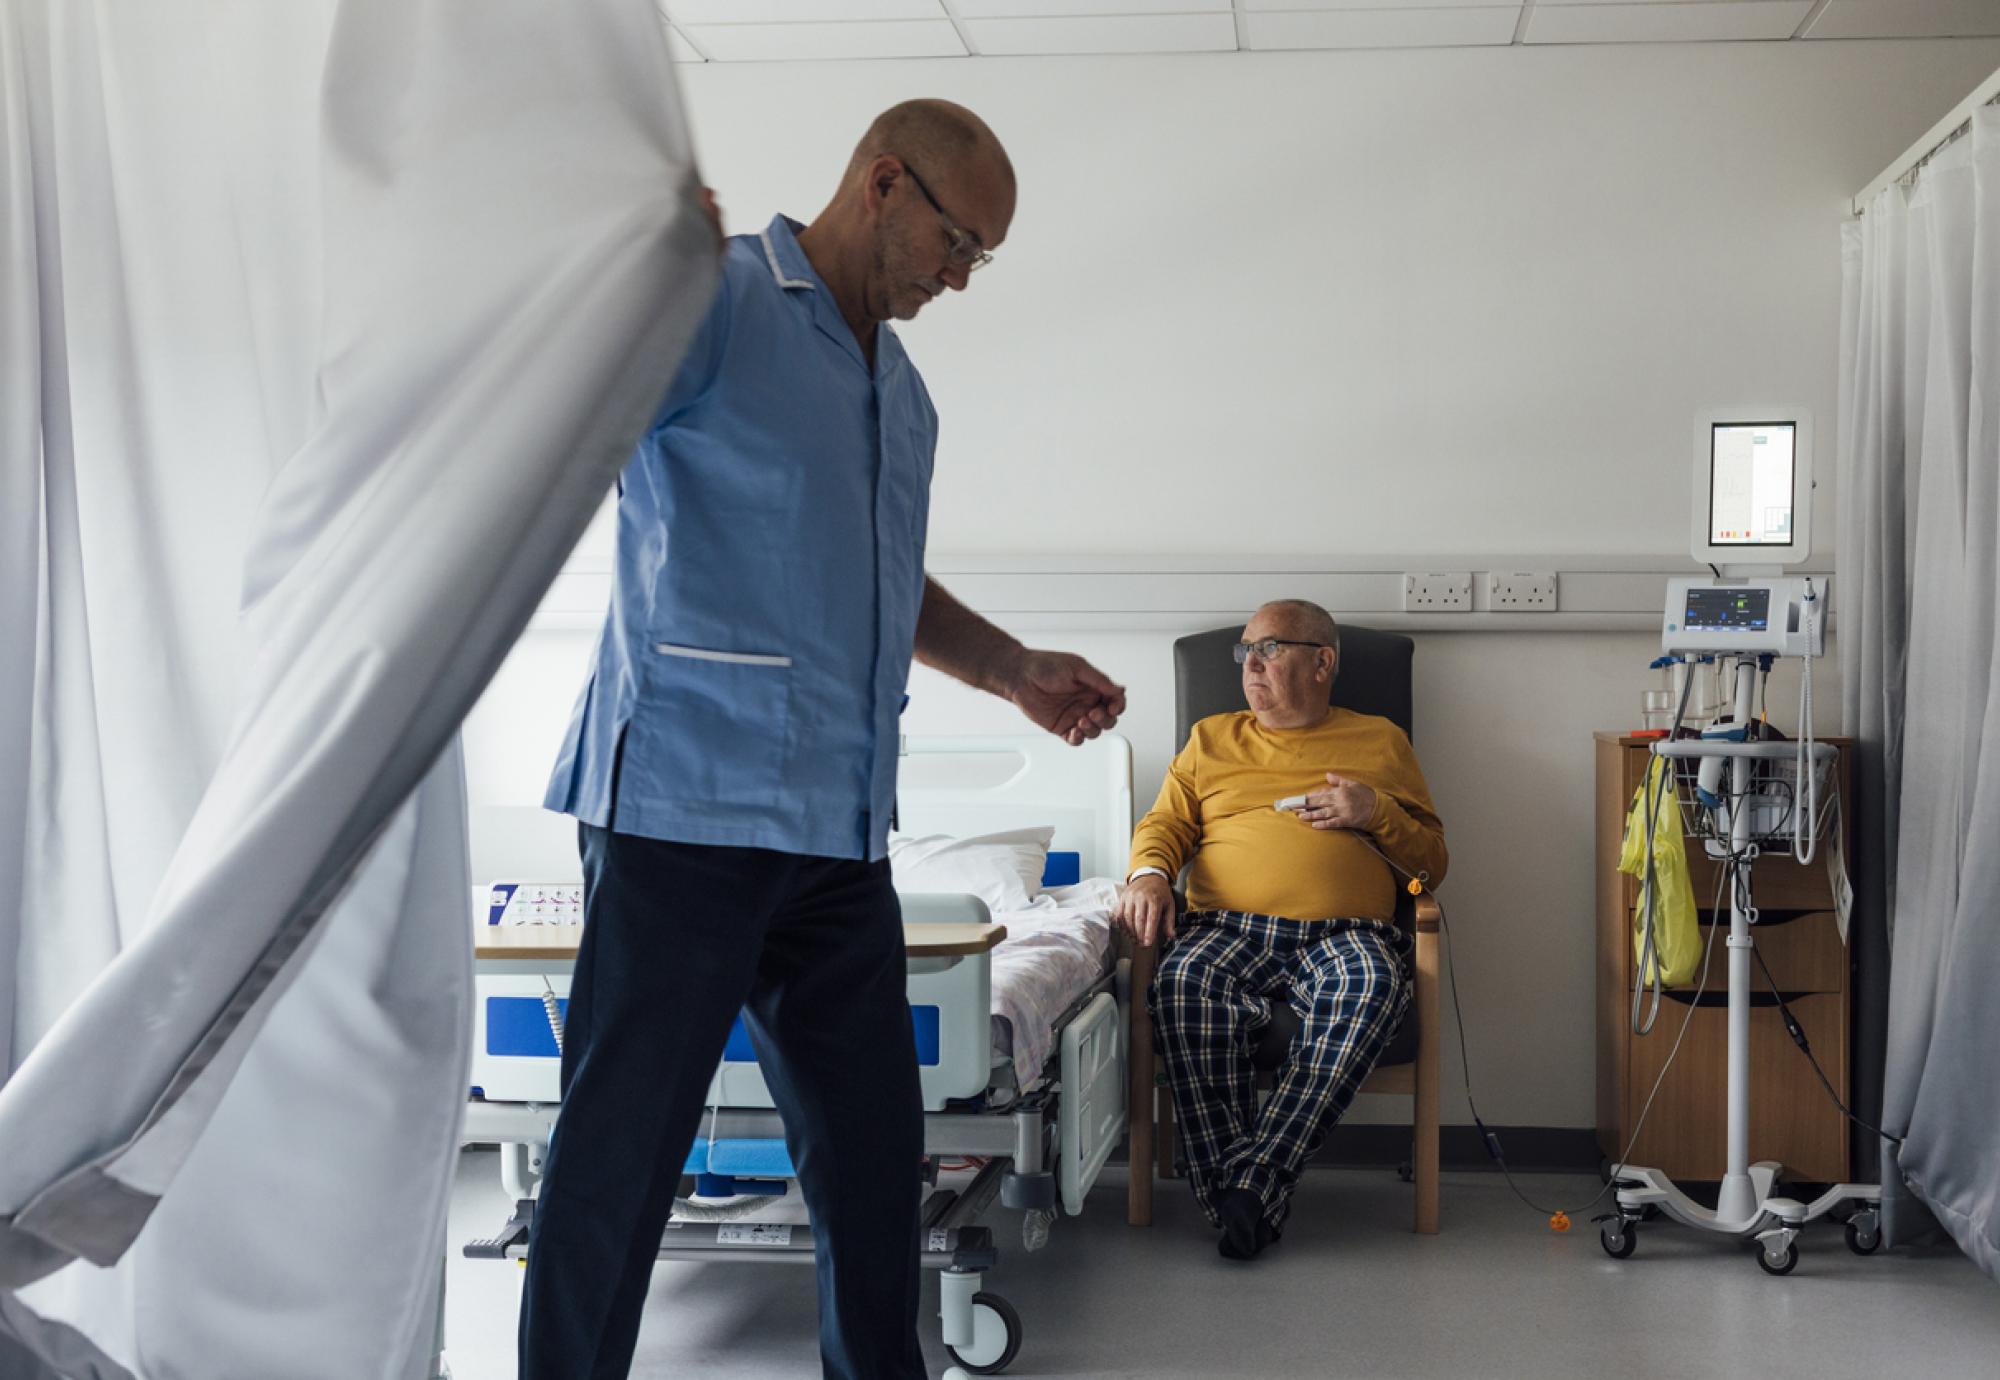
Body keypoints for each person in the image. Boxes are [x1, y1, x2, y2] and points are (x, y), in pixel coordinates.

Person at [520, 99, 1125, 1379]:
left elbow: (885, 583)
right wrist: (627, 284)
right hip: (680, 809)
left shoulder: (899, 398)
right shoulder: (716, 304)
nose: (959, 279)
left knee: (868, 1163)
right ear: (884, 182)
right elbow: (565, 407)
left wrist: (1009, 668)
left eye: (978, 261)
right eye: (956, 245)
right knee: (616, 1163)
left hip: (836, 837)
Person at [1113, 599, 1445, 1260]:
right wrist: (1150, 873)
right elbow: (1165, 826)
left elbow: (1430, 864)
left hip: (1345, 933)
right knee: (1179, 981)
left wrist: (1374, 809)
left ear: (1322, 662)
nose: (1249, 666)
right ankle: (1253, 1189)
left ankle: (1247, 1185)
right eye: (1244, 653)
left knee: (1375, 981)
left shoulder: (1380, 741)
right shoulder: (1212, 739)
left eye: (1268, 649)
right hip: (1224, 929)